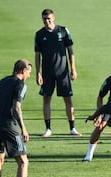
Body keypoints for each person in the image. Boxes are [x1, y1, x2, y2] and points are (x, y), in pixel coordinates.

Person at [35, 8, 81, 137]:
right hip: (47, 73)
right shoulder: (39, 34)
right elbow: (37, 55)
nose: (47, 21)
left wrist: (73, 69)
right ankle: (48, 128)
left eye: (49, 18)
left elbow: (70, 51)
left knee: (68, 100)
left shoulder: (63, 31)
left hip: (63, 72)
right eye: (44, 19)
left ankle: (72, 128)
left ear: (53, 18)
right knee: (46, 100)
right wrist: (38, 73)